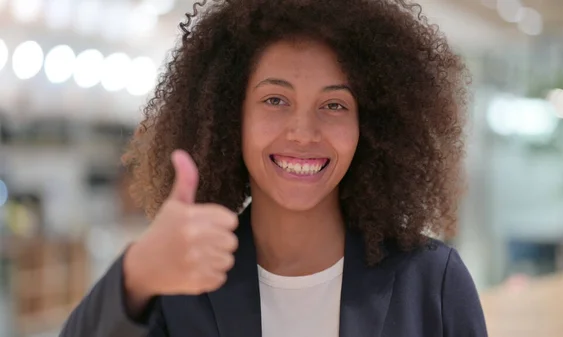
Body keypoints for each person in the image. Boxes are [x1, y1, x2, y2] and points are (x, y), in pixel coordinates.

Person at [60, 0, 487, 336]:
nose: (303, 132)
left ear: (370, 128)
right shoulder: (181, 287)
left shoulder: (432, 281)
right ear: (232, 115)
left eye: (334, 105)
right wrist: (137, 272)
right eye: (275, 100)